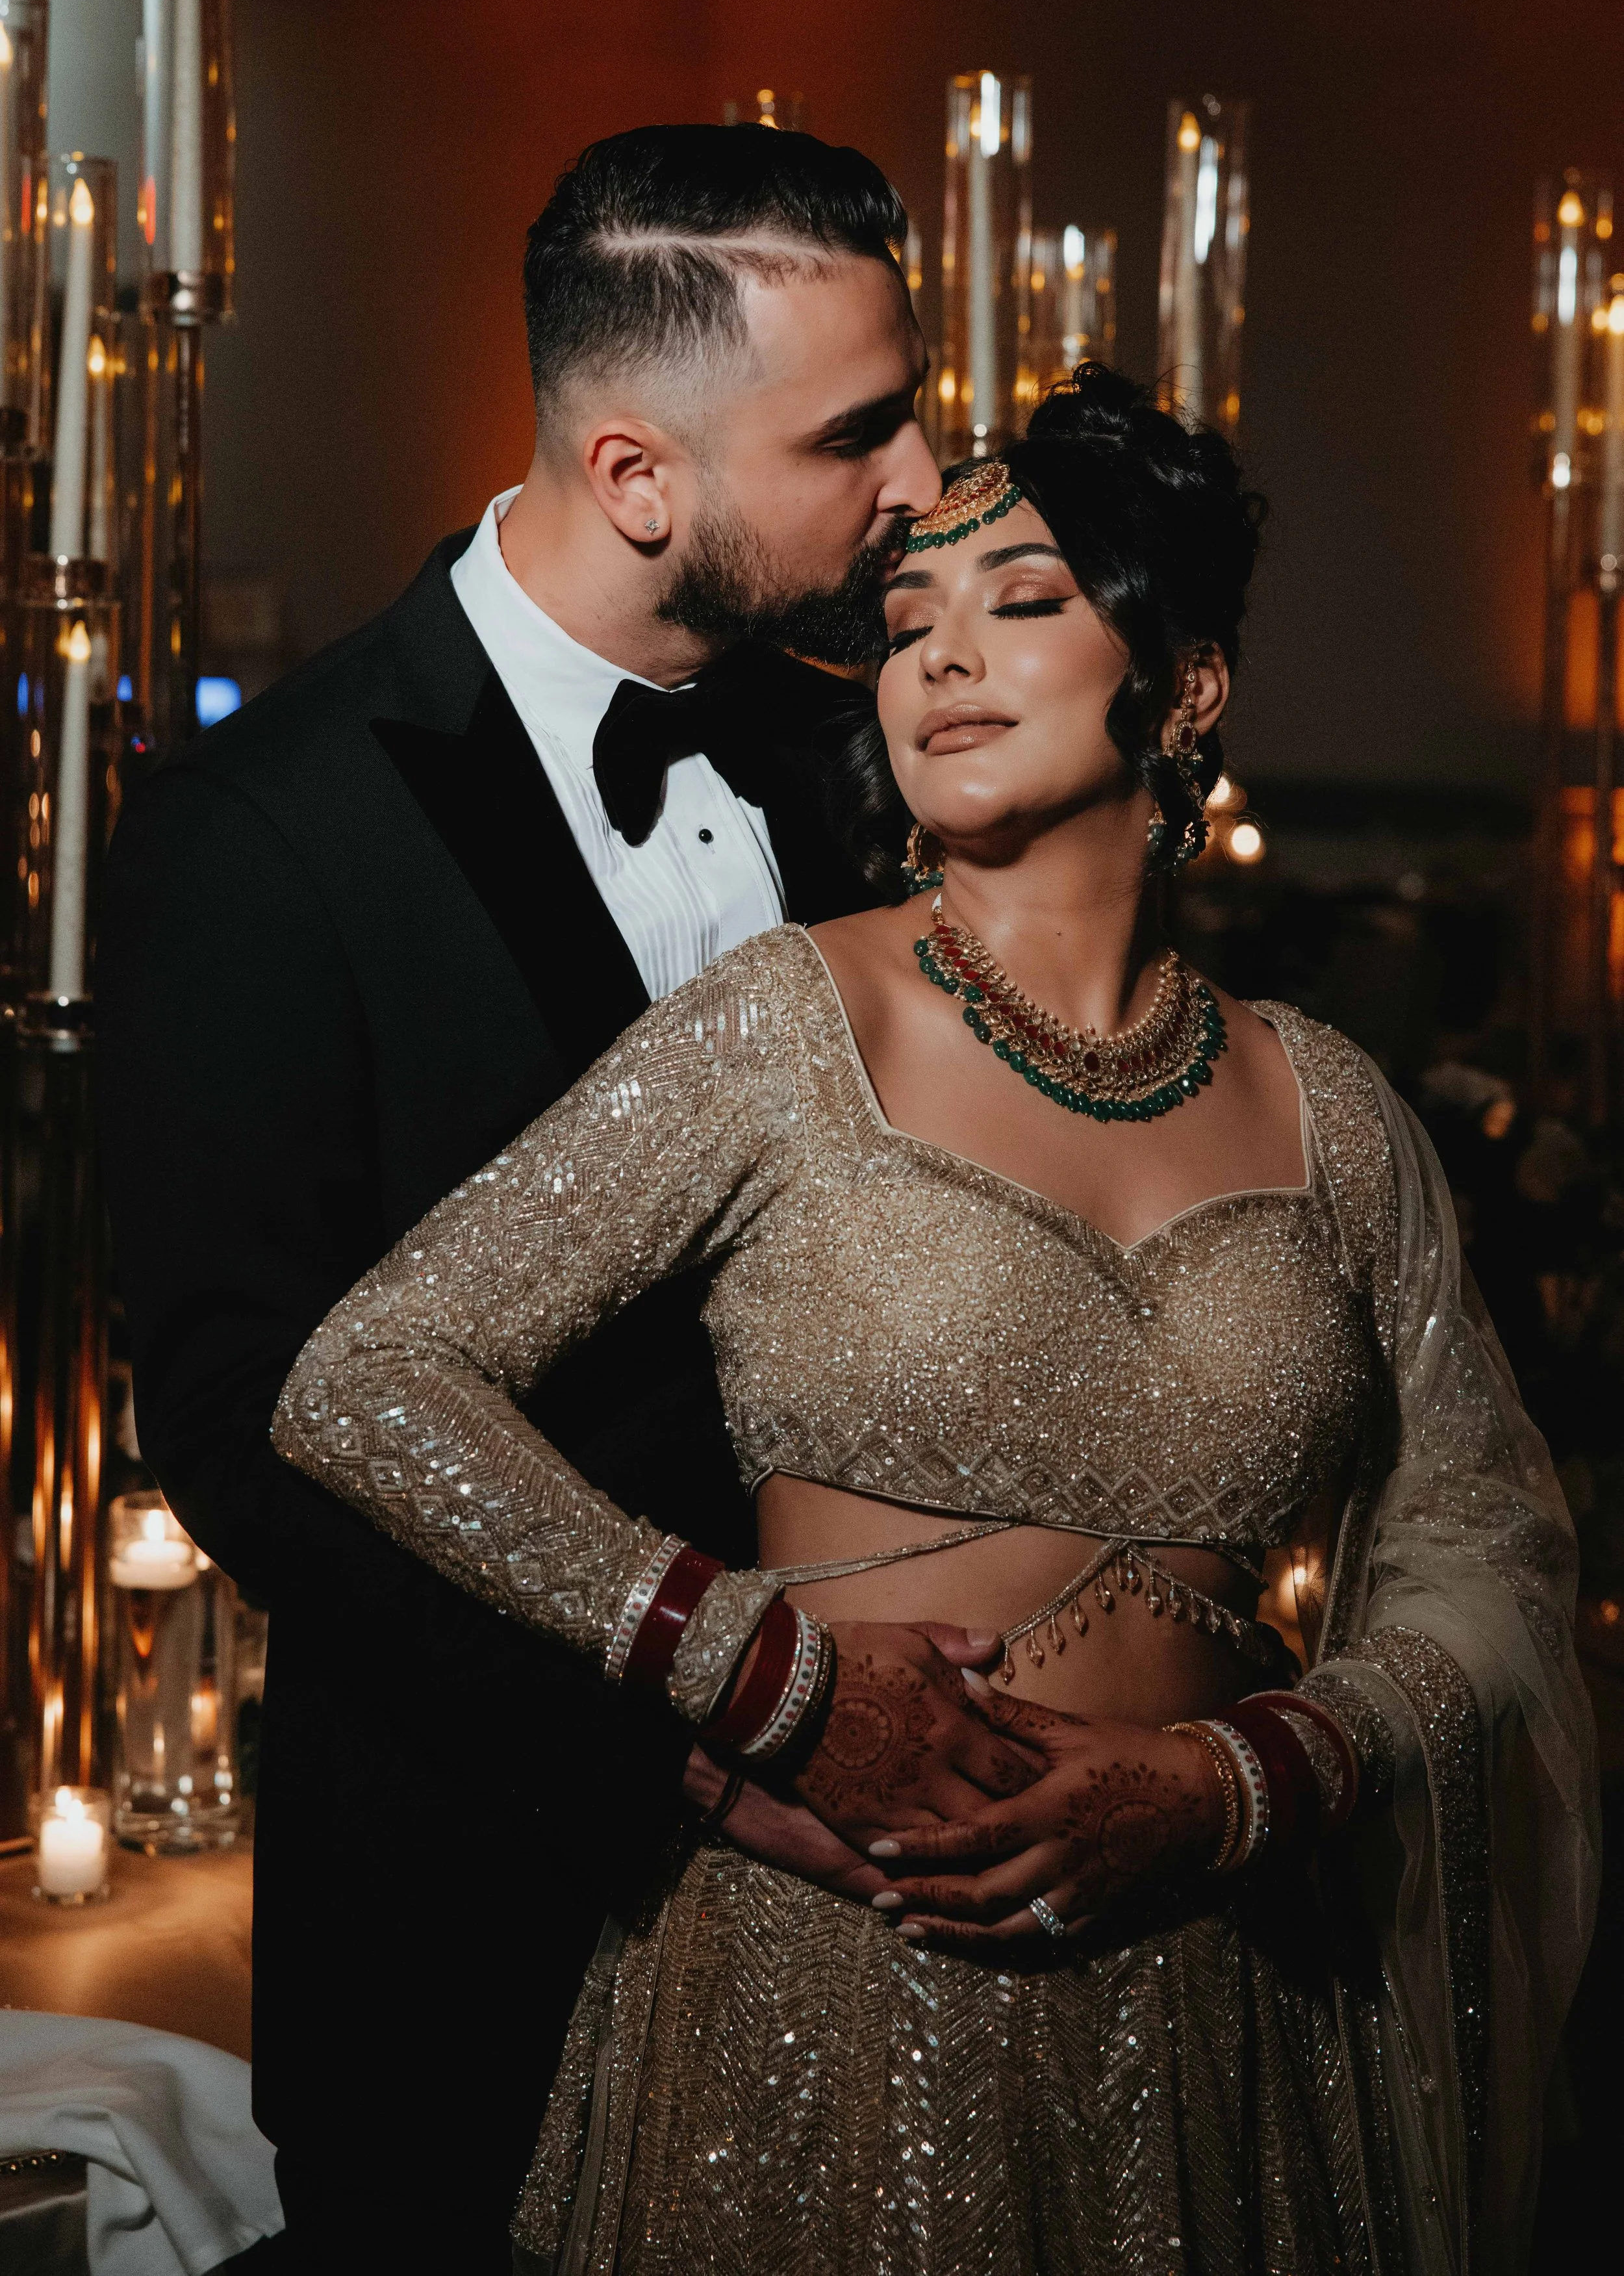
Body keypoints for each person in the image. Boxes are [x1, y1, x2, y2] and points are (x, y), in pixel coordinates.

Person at [270, 364, 1599, 2275]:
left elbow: (1483, 1541)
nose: (940, 660)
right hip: (833, 1997)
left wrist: (1240, 1776)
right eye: (904, 625)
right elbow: (369, 1378)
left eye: (1023, 605)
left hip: (1225, 2004)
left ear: (1189, 682)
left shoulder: (1330, 1108)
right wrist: (744, 1663)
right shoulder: (780, 1031)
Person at [97, 123, 1039, 2272]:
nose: (919, 479)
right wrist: (702, 1753)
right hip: (477, 1896)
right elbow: (249, 1423)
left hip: (896, 1911)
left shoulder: (865, 745)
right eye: (857, 432)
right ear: (637, 475)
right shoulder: (259, 839)